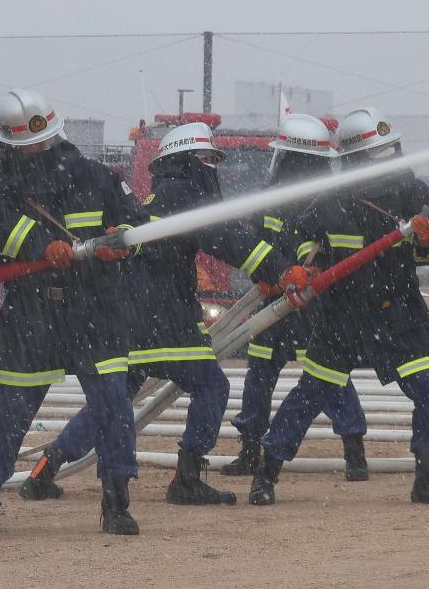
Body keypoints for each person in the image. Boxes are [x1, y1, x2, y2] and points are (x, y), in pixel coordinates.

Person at [32, 121, 267, 506]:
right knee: (212, 387)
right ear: (188, 161)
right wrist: (276, 270)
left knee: (113, 400)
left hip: (130, 317)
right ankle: (187, 478)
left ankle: (46, 468)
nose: (212, 168)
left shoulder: (157, 198)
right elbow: (230, 241)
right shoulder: (187, 196)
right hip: (165, 319)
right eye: (207, 159)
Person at [0, 89, 148, 536]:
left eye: (42, 142)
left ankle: (117, 504)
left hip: (96, 309)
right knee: (11, 411)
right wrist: (40, 245)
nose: (37, 151)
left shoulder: (98, 178)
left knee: (114, 407)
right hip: (31, 313)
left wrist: (120, 243)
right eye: (27, 146)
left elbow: (138, 225)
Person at [253, 108, 429, 507]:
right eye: (378, 153)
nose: (389, 160)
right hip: (342, 318)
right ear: (356, 159)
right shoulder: (332, 200)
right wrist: (300, 266)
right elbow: (297, 236)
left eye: (390, 150)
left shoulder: (414, 194)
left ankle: (427, 478)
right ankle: (265, 474)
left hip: (400, 316)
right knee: (308, 397)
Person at [220, 114, 370, 481]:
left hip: (306, 304)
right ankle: (349, 452)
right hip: (281, 302)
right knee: (289, 376)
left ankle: (351, 452)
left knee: (319, 375)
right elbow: (255, 247)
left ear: (290, 158)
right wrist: (270, 277)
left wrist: (296, 277)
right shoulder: (296, 201)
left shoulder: (319, 203)